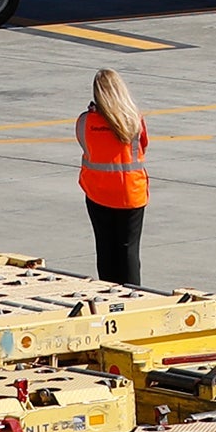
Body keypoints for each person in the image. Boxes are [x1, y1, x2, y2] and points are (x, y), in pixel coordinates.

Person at [75, 67, 150, 286]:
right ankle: (132, 295)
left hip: (98, 193)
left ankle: (108, 293)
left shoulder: (85, 122)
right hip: (130, 193)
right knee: (128, 251)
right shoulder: (134, 120)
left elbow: (85, 146)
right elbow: (143, 146)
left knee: (105, 249)